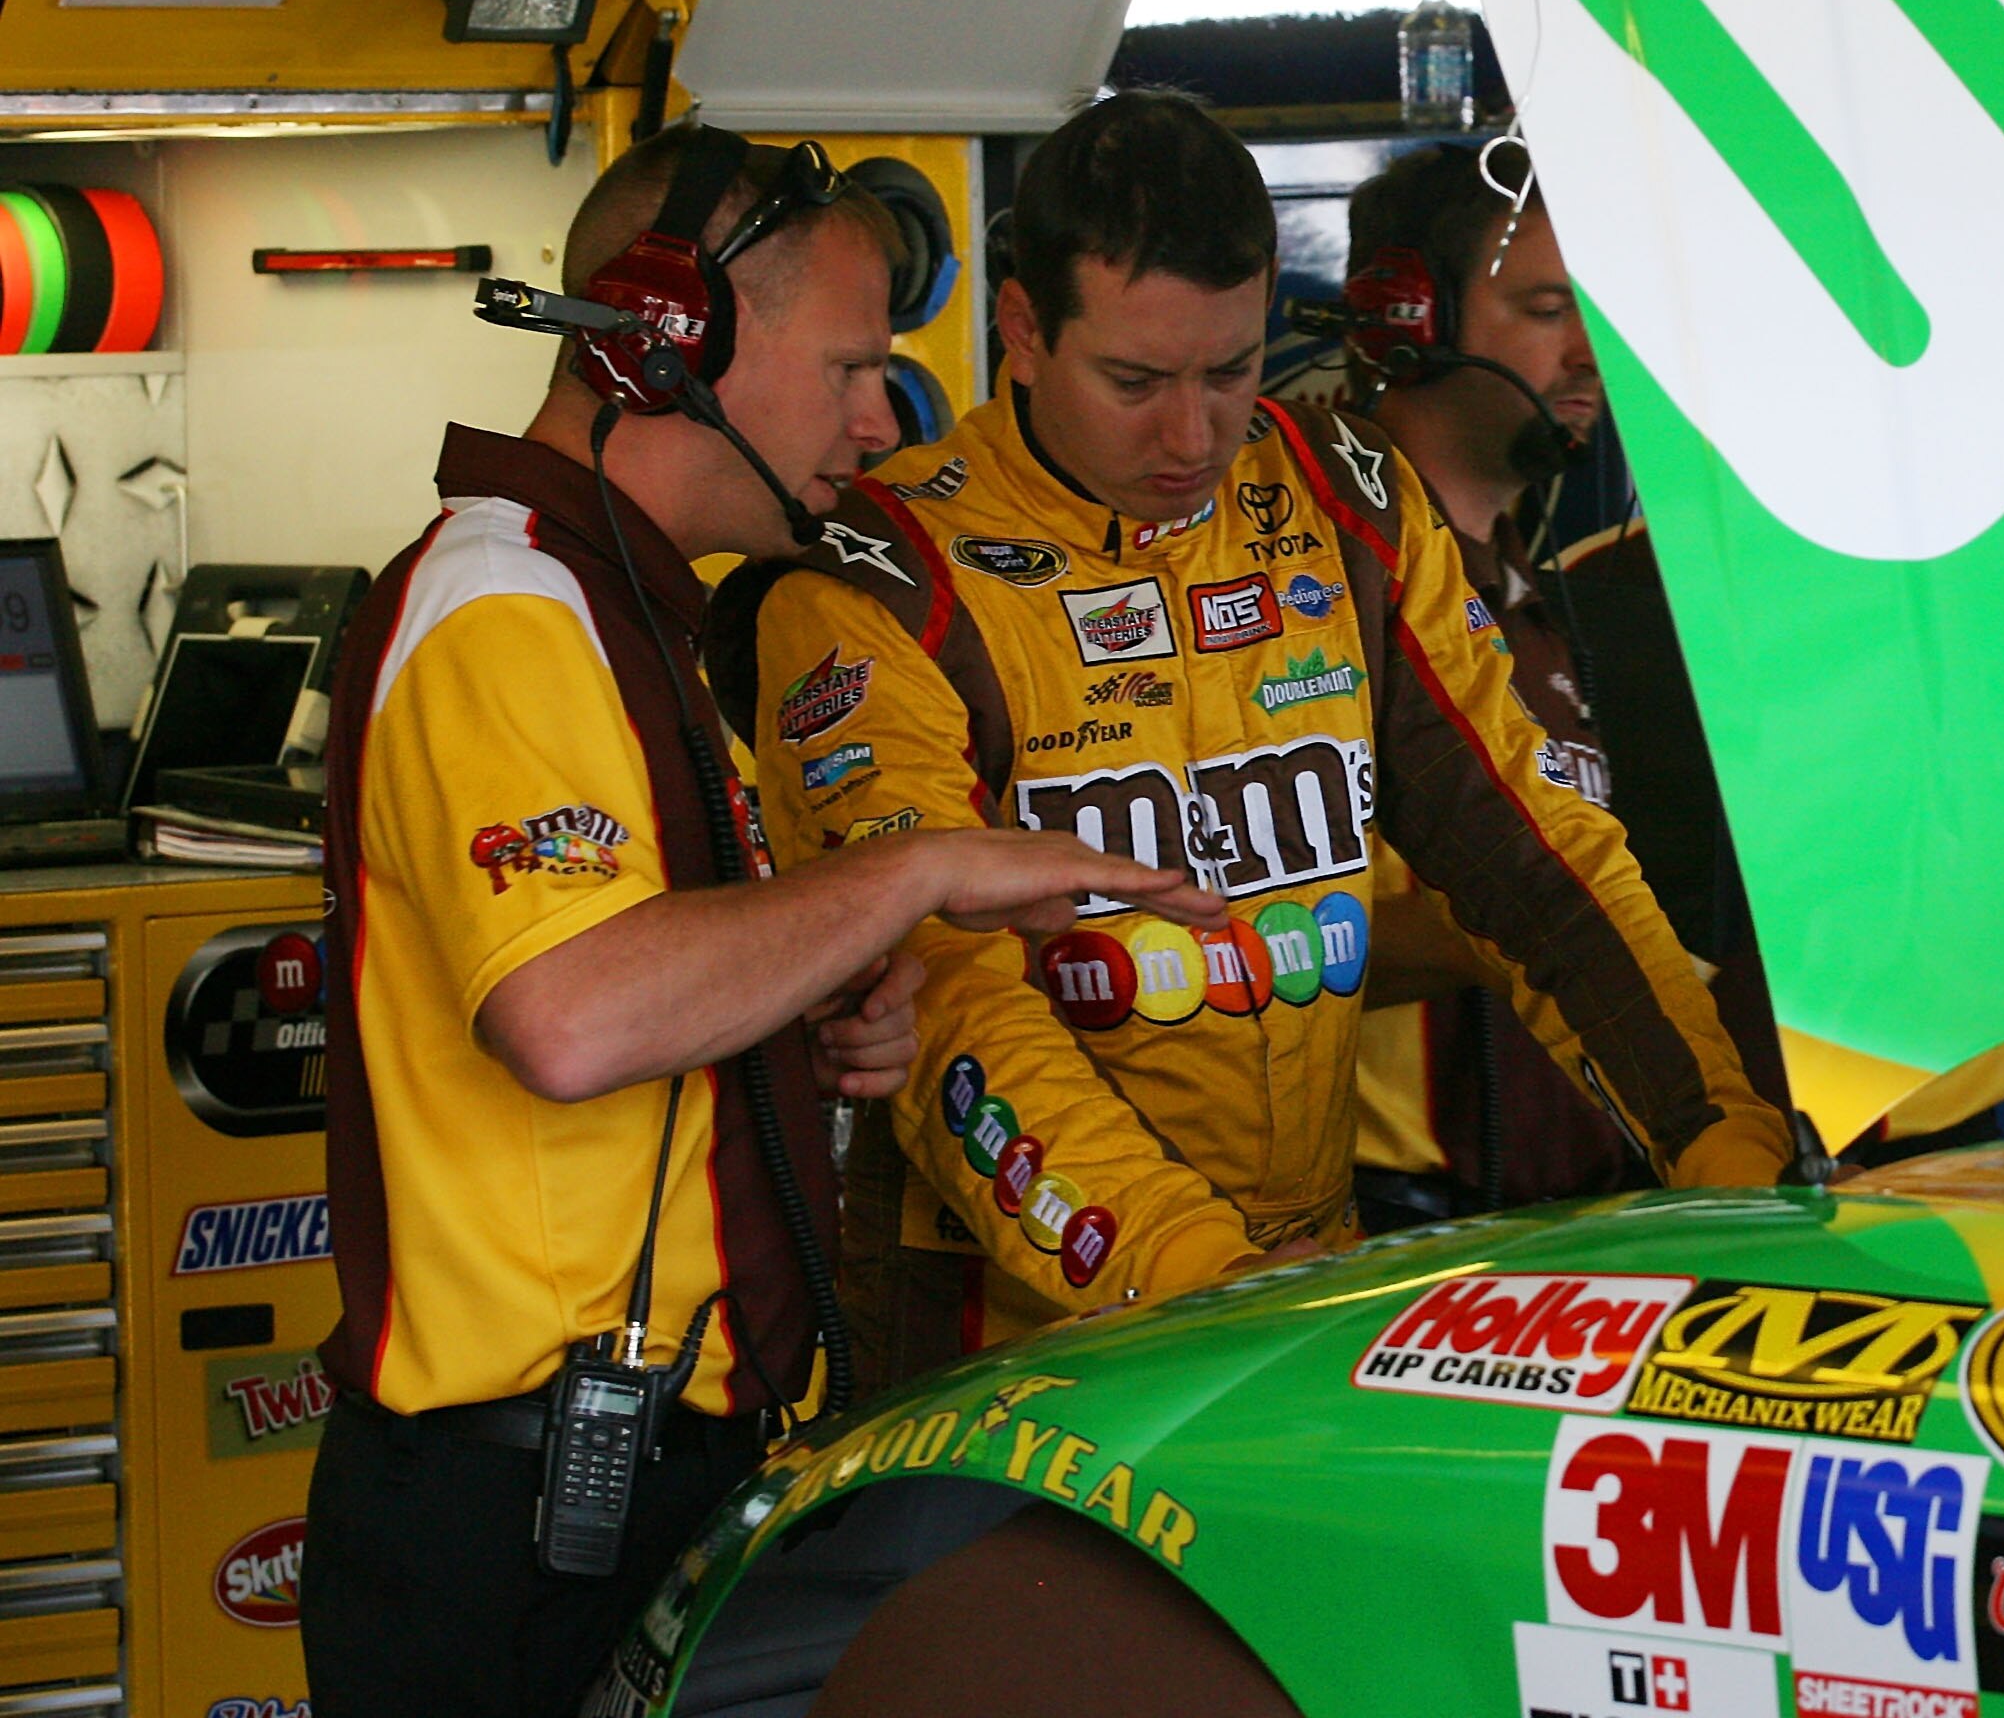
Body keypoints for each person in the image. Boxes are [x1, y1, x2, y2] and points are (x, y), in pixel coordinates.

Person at [302, 126, 1195, 1718]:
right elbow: (572, 1016)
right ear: (667, 344)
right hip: (518, 1523)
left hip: (627, 1486)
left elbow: (645, 976)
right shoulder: (506, 612)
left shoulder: (626, 611)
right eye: (852, 365)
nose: (881, 415)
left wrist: (806, 995)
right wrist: (908, 873)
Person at [711, 91, 1788, 1379]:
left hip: (1300, 1303)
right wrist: (1203, 1278)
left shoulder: (1342, 495)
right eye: (1136, 380)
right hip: (1007, 1342)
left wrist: (1729, 1147)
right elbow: (948, 1000)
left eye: (1230, 370)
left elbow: (1541, 854)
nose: (1193, 433)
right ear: (1019, 331)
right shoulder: (881, 576)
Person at [1333, 141, 1793, 1215]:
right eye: (1547, 309)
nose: (1592, 353)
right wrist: (1542, 925)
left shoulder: (1539, 600)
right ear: (1411, 318)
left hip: (1568, 1207)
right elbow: (1236, 918)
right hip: (1391, 1211)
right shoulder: (1322, 582)